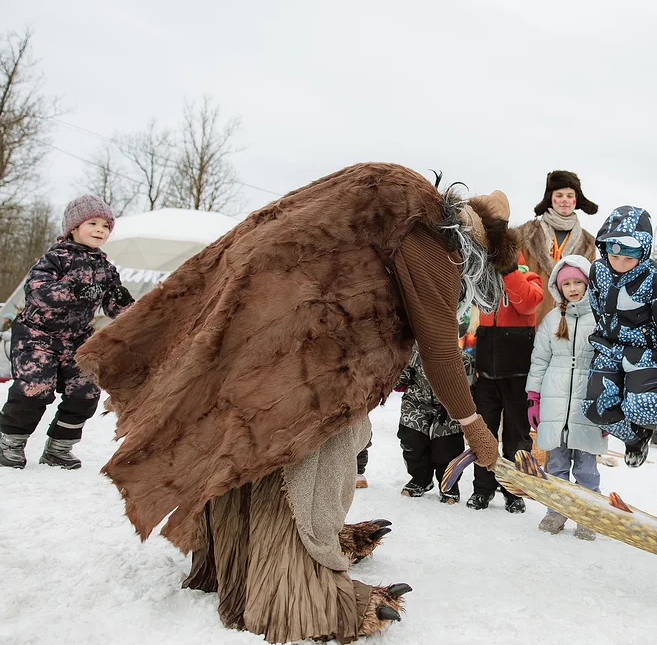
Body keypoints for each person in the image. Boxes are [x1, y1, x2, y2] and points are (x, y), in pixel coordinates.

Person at [77, 164, 508, 642]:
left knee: (261, 440)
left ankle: (249, 557)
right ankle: (301, 593)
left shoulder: (396, 197)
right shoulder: (434, 239)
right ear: (479, 250)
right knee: (313, 450)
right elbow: (441, 350)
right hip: (310, 347)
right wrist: (473, 425)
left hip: (268, 319)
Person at [0, 194, 133, 470]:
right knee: (35, 388)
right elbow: (37, 292)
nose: (100, 230)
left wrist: (131, 307)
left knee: (86, 392)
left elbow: (116, 306)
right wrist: (75, 290)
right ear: (73, 228)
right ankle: (11, 443)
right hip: (37, 335)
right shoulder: (55, 258)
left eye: (105, 226)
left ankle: (59, 447)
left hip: (76, 339)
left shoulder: (105, 269)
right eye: (92, 223)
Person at [582, 206, 657, 468]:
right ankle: (636, 436)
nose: (619, 265)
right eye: (614, 256)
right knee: (595, 409)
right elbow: (598, 309)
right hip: (610, 348)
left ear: (644, 251)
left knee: (642, 408)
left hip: (645, 353)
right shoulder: (598, 270)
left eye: (628, 259)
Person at [526, 255, 604, 540]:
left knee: (586, 467)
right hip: (554, 401)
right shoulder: (551, 320)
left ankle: (587, 515)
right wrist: (534, 398)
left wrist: (607, 408)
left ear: (588, 285)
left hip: (588, 402)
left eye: (577, 283)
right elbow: (539, 361)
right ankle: (555, 511)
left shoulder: (601, 320)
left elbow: (608, 365)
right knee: (556, 464)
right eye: (567, 284)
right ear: (559, 288)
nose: (572, 288)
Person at [468, 248, 543, 512]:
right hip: (487, 374)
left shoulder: (530, 279)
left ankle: (514, 491)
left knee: (517, 438)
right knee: (484, 434)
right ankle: (482, 489)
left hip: (518, 376)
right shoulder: (485, 284)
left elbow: (527, 303)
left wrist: (509, 271)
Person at [517, 170, 599, 326]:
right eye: (559, 195)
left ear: (576, 199)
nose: (564, 200)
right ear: (550, 198)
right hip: (530, 320)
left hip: (570, 324)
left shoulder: (588, 243)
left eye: (570, 195)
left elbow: (590, 288)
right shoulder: (526, 234)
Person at [395, 345, 469, 504]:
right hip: (416, 402)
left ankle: (448, 485)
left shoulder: (461, 358)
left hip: (448, 406)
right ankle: (420, 480)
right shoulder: (414, 352)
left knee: (446, 446)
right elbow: (399, 380)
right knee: (412, 440)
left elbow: (468, 389)